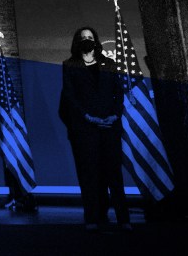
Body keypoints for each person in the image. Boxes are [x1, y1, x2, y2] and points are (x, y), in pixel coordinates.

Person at [59, 27, 131, 232]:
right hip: (86, 130)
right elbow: (70, 97)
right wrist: (87, 117)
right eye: (83, 38)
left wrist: (115, 115)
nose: (87, 40)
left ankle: (123, 219)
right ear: (77, 42)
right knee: (89, 175)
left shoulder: (109, 64)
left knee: (114, 176)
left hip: (110, 127)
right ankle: (92, 218)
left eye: (90, 37)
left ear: (96, 41)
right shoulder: (69, 65)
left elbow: (119, 93)